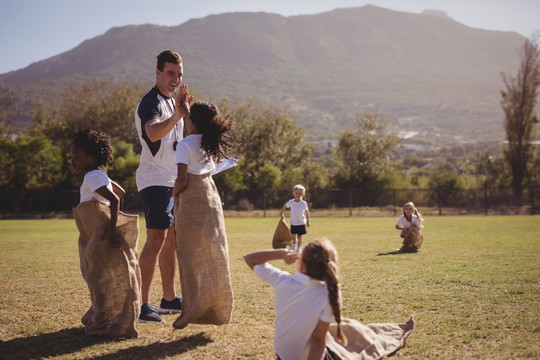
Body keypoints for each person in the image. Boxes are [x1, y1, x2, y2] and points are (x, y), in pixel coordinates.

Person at [135, 49, 193, 323]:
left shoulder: (172, 102)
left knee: (169, 241)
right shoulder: (151, 102)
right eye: (171, 73)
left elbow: (178, 142)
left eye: (179, 74)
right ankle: (141, 304)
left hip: (171, 181)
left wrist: (185, 114)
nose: (175, 78)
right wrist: (179, 116)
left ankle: (169, 300)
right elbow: (153, 132)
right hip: (154, 179)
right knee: (156, 239)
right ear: (158, 72)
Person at [172, 100, 236, 329]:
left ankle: (192, 310)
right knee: (215, 253)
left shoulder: (184, 145)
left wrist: (174, 195)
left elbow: (181, 179)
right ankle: (218, 309)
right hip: (211, 198)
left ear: (190, 122)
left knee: (189, 257)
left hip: (191, 200)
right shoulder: (210, 143)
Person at [71, 129, 141, 338]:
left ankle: (104, 320)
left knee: (96, 275)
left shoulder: (91, 177)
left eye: (77, 157)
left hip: (98, 234)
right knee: (101, 277)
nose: (73, 161)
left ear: (91, 158)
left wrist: (111, 229)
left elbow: (115, 199)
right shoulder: (99, 175)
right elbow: (120, 191)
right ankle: (105, 315)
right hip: (100, 232)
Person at [244, 238, 347, 360]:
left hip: (282, 356)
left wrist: (280, 253)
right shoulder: (331, 292)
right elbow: (318, 339)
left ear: (301, 263)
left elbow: (250, 259)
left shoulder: (282, 281)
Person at [280, 184, 310, 253]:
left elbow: (307, 212)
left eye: (299, 193)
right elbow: (284, 206)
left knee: (300, 237)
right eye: (296, 193)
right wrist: (281, 213)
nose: (298, 194)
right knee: (292, 236)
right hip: (293, 223)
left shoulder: (303, 203)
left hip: (301, 223)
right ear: (294, 193)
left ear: (302, 194)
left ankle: (299, 249)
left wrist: (308, 221)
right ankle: (294, 243)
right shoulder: (291, 202)